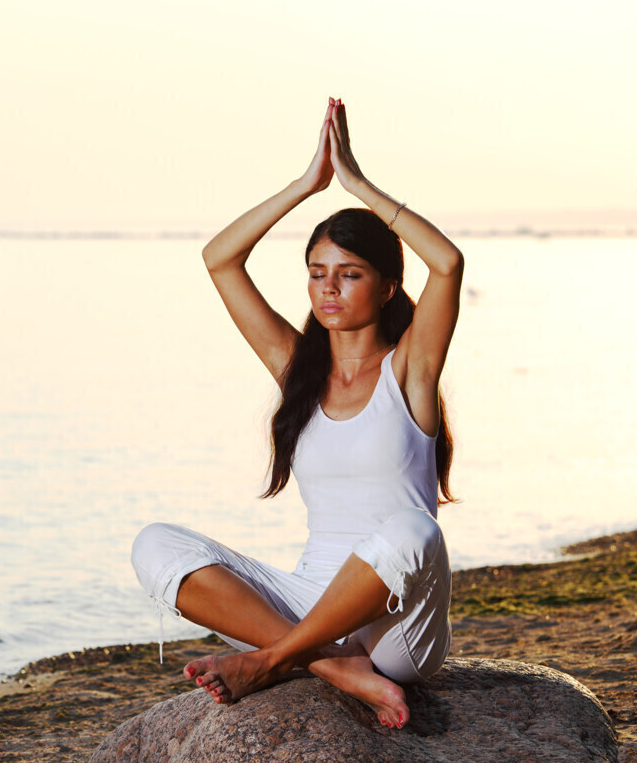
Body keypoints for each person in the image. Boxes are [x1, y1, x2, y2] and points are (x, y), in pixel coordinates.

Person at [130, 97, 464, 730]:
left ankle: (274, 659)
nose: (329, 289)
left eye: (349, 273)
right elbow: (219, 258)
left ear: (388, 285)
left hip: (396, 628)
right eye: (316, 273)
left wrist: (357, 184)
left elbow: (447, 263)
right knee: (154, 545)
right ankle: (329, 666)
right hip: (310, 603)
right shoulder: (298, 369)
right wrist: (306, 185)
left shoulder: (410, 370)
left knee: (416, 532)